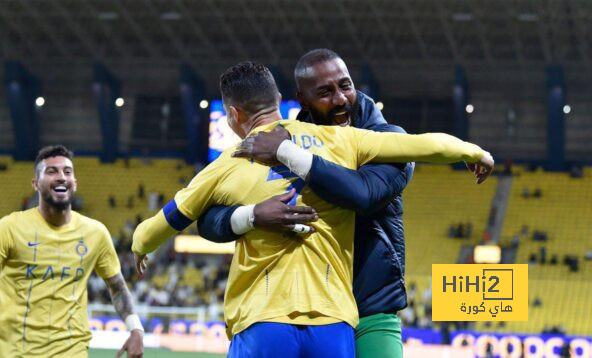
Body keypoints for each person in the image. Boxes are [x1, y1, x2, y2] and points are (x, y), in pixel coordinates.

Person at [131, 61, 493, 357]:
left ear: (232, 115)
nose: (339, 98)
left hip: (264, 320)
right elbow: (427, 144)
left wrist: (141, 247)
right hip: (334, 324)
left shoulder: (225, 164)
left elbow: (159, 227)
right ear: (282, 98)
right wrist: (473, 151)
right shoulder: (342, 140)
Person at [0, 145, 144, 358]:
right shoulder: (10, 227)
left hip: (72, 351)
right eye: (51, 171)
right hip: (17, 352)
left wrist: (135, 327)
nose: (61, 177)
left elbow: (118, 286)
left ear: (75, 183)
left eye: (67, 171)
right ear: (35, 184)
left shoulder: (96, 233)